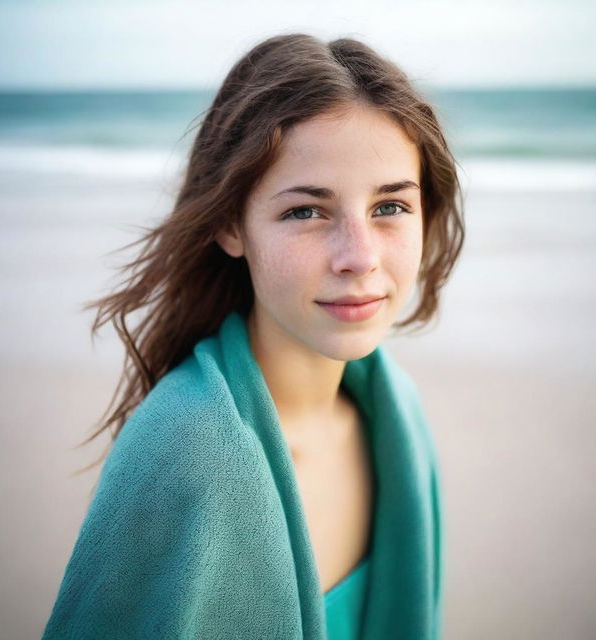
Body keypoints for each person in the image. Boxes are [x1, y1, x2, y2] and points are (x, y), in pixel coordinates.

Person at [42, 32, 464, 640]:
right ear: (229, 225)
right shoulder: (186, 453)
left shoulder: (396, 415)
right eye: (305, 211)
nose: (359, 257)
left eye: (390, 207)